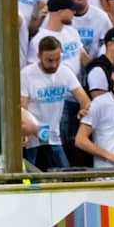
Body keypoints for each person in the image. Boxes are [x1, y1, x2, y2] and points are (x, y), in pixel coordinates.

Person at [20, 36, 91, 169]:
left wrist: (83, 109)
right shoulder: (26, 75)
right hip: (32, 136)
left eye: (57, 59)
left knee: (64, 174)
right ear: (39, 56)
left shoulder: (65, 72)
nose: (54, 64)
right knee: (30, 174)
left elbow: (85, 100)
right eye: (49, 60)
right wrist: (23, 132)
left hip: (54, 135)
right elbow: (22, 107)